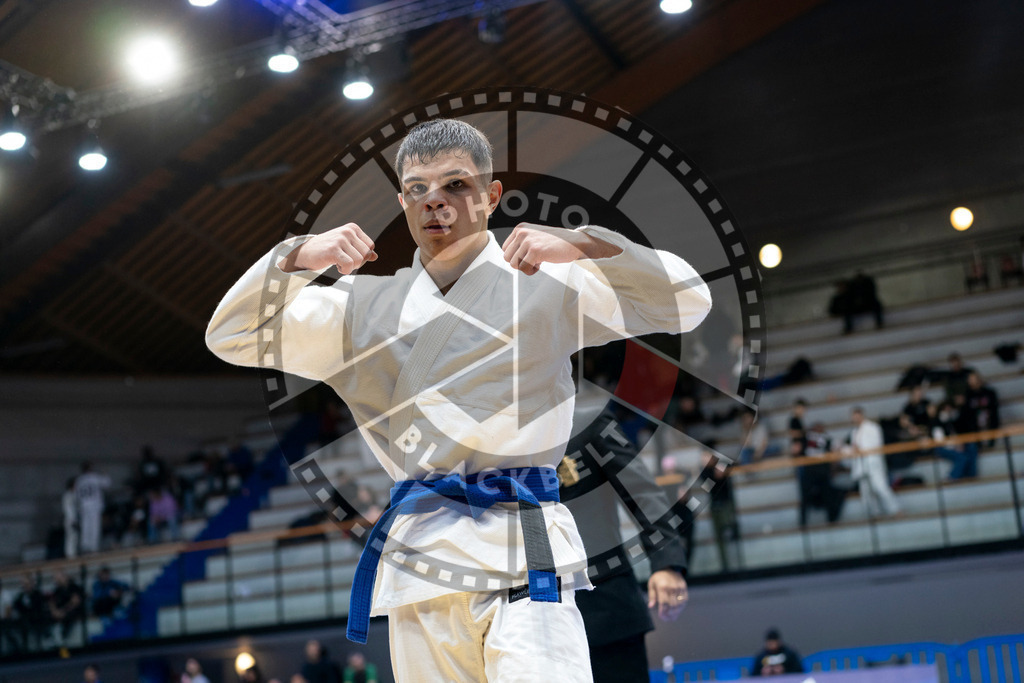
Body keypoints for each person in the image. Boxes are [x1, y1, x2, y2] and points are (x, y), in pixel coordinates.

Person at [206, 118, 712, 682]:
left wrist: (582, 243)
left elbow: (689, 301)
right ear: (402, 202)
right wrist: (295, 257)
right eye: (417, 189)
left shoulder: (548, 282)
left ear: (491, 197)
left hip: (523, 545)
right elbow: (231, 336)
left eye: (455, 185)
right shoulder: (359, 308)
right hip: (423, 560)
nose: (434, 201)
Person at [561, 403, 689, 683]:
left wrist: (666, 563)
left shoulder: (588, 422)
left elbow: (642, 492)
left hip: (605, 608)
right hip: (526, 617)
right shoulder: (491, 445)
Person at [844, 408, 900, 517]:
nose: (855, 418)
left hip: (873, 463)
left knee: (880, 487)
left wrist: (859, 449)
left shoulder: (873, 427)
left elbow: (876, 444)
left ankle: (896, 509)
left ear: (862, 415)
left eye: (857, 416)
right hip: (861, 465)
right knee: (866, 493)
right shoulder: (854, 432)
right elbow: (854, 448)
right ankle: (874, 514)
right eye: (853, 417)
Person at [75, 461, 111, 554]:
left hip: (84, 506)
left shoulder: (79, 480)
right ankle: (94, 548)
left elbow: (77, 495)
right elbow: (107, 483)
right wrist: (105, 474)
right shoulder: (94, 477)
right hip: (94, 505)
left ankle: (85, 546)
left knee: (85, 526)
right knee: (94, 526)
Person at [48, 570, 84, 647]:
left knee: (68, 619)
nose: (58, 580)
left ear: (65, 577)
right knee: (48, 618)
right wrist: (55, 611)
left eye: (60, 578)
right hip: (61, 613)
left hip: (73, 612)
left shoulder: (73, 587)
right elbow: (52, 602)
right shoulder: (57, 590)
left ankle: (64, 639)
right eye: (56, 579)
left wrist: (63, 611)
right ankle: (52, 639)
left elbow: (75, 602)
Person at [965, 371, 1000, 446]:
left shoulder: (990, 393)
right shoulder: (968, 395)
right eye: (971, 379)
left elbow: (994, 407)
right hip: (975, 421)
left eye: (975, 379)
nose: (974, 381)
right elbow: (967, 411)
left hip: (988, 418)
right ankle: (978, 444)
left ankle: (991, 441)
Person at [62, 477, 79, 559]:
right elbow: (67, 509)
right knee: (70, 537)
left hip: (74, 518)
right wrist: (72, 519)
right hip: (70, 519)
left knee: (74, 537)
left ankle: (73, 553)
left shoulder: (73, 495)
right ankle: (69, 554)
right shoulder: (67, 495)